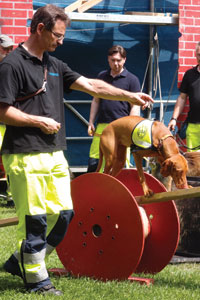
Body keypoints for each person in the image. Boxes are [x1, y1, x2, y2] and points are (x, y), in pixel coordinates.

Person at [0, 4, 153, 296]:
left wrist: (130, 94)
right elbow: (2, 110)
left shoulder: (55, 65)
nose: (62, 40)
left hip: (55, 153)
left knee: (65, 215)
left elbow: (93, 85)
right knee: (35, 220)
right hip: (23, 154)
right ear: (40, 29)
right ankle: (37, 281)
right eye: (57, 35)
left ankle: (21, 261)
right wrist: (36, 120)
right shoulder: (11, 65)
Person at [87, 45, 141, 172]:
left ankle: (116, 189)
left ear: (124, 60)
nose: (116, 63)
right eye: (113, 60)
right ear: (108, 59)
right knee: (95, 160)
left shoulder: (132, 80)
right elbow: (95, 100)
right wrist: (90, 122)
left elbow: (135, 106)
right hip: (102, 126)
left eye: (119, 60)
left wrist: (130, 128)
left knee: (119, 163)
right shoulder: (102, 76)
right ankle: (96, 189)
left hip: (121, 129)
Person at [0, 34, 15, 205]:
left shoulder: (12, 68)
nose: (9, 51)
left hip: (10, 123)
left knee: (11, 161)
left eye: (11, 48)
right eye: (6, 48)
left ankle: (12, 197)